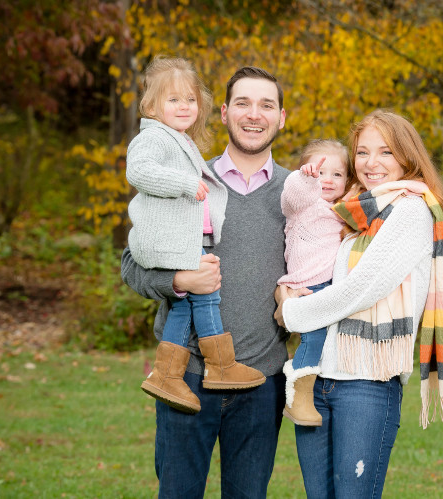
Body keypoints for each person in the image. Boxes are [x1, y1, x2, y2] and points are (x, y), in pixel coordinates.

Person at [275, 109, 443, 498]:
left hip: (367, 384)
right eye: (362, 152)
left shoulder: (410, 211)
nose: (371, 163)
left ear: (406, 157)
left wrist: (291, 312)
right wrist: (286, 291)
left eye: (385, 152)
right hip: (319, 379)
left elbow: (359, 289)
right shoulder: (358, 214)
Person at [122, 66, 290, 498]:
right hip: (187, 378)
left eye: (266, 105)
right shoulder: (188, 180)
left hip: (260, 378)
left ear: (281, 117)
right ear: (222, 113)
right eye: (243, 103)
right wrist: (179, 280)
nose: (254, 115)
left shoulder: (298, 193)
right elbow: (132, 264)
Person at [126, 56, 266, 415]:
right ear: (152, 106)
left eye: (189, 99)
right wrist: (187, 183)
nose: (184, 106)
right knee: (201, 298)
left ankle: (175, 371)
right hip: (173, 244)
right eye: (173, 100)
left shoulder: (180, 141)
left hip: (188, 242)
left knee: (195, 301)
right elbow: (138, 171)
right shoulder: (154, 137)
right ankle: (209, 366)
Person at [277, 140, 353, 426]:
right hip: (306, 283)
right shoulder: (305, 203)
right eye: (322, 173)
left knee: (321, 340)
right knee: (314, 337)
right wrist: (304, 178)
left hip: (330, 284)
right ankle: (298, 398)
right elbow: (290, 197)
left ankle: (308, 391)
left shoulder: (341, 209)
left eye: (338, 174)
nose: (329, 180)